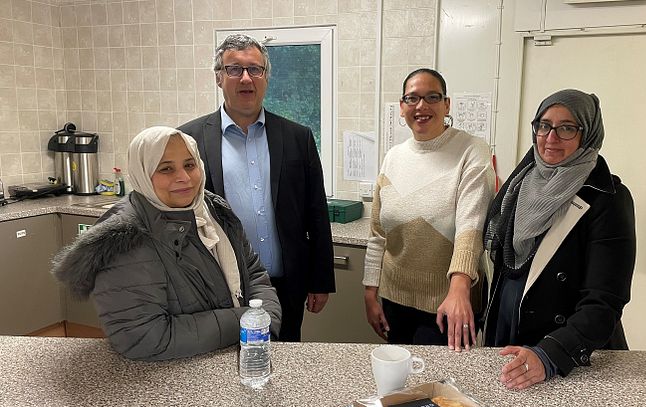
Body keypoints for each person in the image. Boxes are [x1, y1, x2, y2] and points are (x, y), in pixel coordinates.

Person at [52, 126, 281, 361]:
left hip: (232, 358)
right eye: (166, 169)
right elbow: (144, 338)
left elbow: (253, 273)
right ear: (143, 172)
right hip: (170, 378)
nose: (183, 177)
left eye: (189, 165)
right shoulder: (127, 237)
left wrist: (267, 317)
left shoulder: (213, 209)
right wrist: (250, 321)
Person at [179, 34, 335, 342]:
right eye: (234, 69)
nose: (246, 78)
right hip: (221, 283)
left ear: (266, 77)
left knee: (285, 358)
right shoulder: (189, 139)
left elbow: (315, 211)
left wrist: (320, 280)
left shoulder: (297, 137)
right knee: (223, 361)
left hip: (286, 283)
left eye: (255, 69)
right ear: (219, 78)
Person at [482, 89, 636, 389]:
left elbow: (605, 301)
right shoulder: (521, 183)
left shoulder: (609, 199)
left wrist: (551, 354)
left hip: (567, 352)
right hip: (508, 331)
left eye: (566, 128)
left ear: (587, 133)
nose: (550, 137)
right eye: (544, 125)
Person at [362, 68, 495, 352]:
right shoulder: (393, 157)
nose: (421, 106)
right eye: (412, 98)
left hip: (447, 303)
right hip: (394, 298)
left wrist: (460, 288)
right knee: (401, 387)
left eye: (432, 97)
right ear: (402, 107)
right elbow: (377, 234)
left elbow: (471, 228)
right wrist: (371, 292)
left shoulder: (471, 150)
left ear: (447, 104)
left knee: (443, 390)